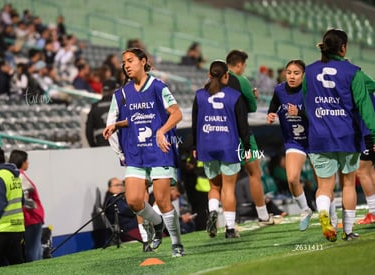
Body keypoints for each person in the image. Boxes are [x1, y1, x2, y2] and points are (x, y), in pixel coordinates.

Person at [103, 47, 185, 257]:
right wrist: (115, 125)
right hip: (136, 153)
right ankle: (157, 224)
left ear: (143, 61)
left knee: (163, 200)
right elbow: (135, 118)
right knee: (133, 201)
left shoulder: (158, 87)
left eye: (130, 60)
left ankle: (176, 243)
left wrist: (162, 131)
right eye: (124, 62)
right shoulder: (123, 93)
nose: (126, 65)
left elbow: (176, 114)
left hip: (159, 151)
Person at [303, 28, 375, 242]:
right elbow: (365, 105)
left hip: (318, 136)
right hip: (347, 137)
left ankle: (324, 214)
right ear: (343, 47)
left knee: (324, 185)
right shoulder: (353, 72)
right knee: (348, 183)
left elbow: (305, 102)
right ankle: (348, 231)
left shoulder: (308, 72)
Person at [192, 60, 251, 238]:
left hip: (207, 146)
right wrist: (247, 146)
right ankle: (231, 228)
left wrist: (195, 146)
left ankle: (212, 212)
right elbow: (243, 125)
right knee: (228, 188)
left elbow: (195, 124)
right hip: (228, 146)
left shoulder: (200, 95)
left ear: (209, 75)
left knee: (214, 186)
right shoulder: (234, 96)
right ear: (226, 75)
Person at [225, 50, 275, 226]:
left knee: (227, 181)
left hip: (222, 134)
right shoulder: (241, 81)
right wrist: (253, 97)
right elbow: (252, 108)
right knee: (254, 173)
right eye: (244, 65)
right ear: (238, 64)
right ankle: (263, 216)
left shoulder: (214, 82)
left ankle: (228, 224)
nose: (244, 69)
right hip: (241, 133)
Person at [267, 59, 314, 231]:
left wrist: (300, 112)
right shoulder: (279, 89)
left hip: (315, 140)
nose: (292, 76)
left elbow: (319, 114)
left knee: (323, 183)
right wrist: (271, 114)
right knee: (292, 178)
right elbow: (274, 105)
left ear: (303, 75)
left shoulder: (310, 90)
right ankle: (305, 209)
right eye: (289, 72)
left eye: (296, 73)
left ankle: (330, 216)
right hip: (294, 141)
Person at [8, 150, 45, 262]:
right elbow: (24, 198)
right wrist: (36, 209)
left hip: (30, 218)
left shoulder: (16, 175)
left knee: (35, 251)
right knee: (34, 253)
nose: (28, 163)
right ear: (22, 162)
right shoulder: (19, 175)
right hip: (31, 219)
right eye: (26, 160)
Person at [356, 80, 375, 224]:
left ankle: (373, 212)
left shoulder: (356, 87)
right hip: (368, 132)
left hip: (369, 133)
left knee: (362, 171)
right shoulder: (364, 85)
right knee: (371, 171)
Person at [103, 178, 141, 244]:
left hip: (134, 227)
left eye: (121, 185)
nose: (120, 187)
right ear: (109, 188)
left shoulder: (121, 198)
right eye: (117, 185)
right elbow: (127, 211)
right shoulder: (112, 200)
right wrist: (137, 209)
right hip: (127, 230)